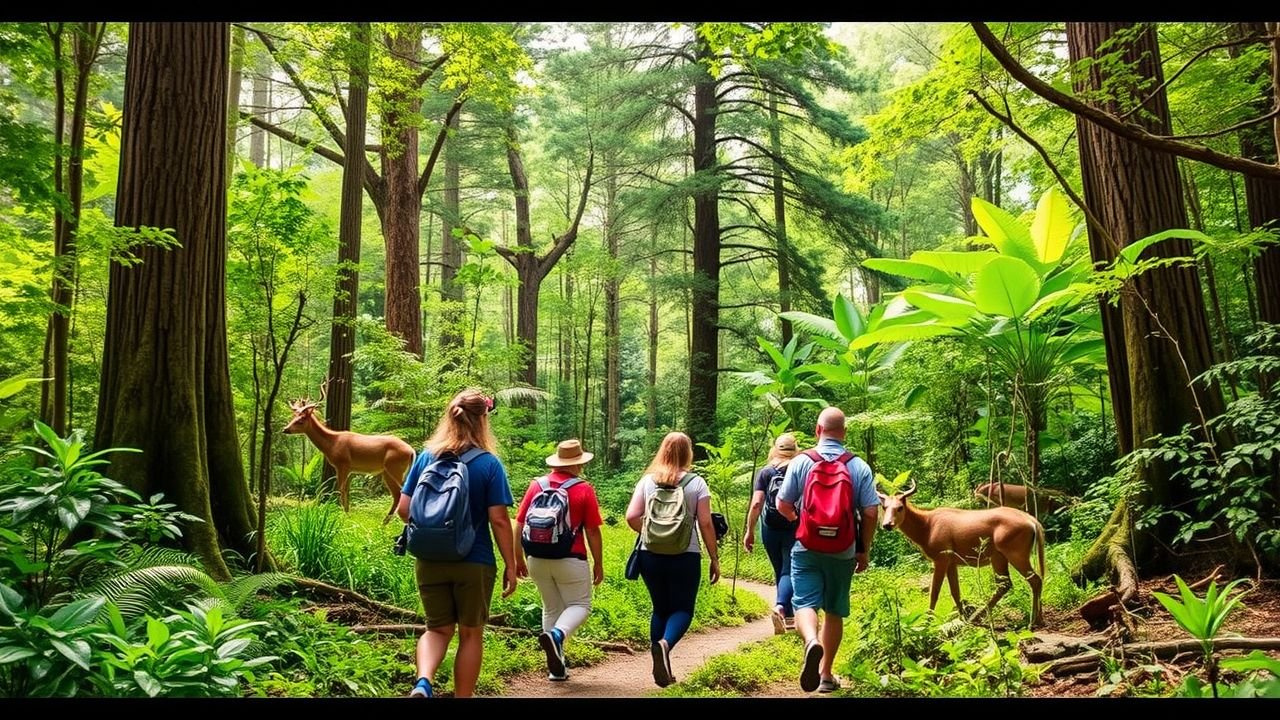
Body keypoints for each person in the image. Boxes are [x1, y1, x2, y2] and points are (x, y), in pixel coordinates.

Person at [397, 389, 517, 699]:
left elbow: (404, 510)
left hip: (429, 558)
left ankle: (423, 682)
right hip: (474, 560)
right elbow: (500, 520)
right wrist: (511, 565)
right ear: (483, 420)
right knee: (470, 634)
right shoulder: (489, 464)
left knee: (436, 629)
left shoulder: (426, 457)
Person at [776, 407, 877, 694]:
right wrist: (863, 549)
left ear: (818, 430)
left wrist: (801, 521)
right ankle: (826, 676)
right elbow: (871, 512)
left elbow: (782, 504)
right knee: (834, 611)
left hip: (806, 546)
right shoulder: (858, 466)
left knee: (804, 602)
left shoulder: (800, 462)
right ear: (844, 433)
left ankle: (811, 641)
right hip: (843, 550)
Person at [625, 431, 720, 688]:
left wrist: (651, 533)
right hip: (685, 555)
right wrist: (714, 557)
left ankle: (659, 657)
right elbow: (706, 523)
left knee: (660, 608)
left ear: (663, 450)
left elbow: (632, 516)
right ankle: (665, 646)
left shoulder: (647, 481)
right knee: (683, 609)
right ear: (687, 453)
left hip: (650, 554)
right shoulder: (696, 482)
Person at [513, 439, 605, 682]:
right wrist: (598, 562)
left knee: (551, 607)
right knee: (580, 606)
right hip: (571, 558)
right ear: (578, 464)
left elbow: (519, 523)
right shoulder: (583, 489)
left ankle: (557, 668)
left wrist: (517, 558)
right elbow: (593, 531)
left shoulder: (537, 486)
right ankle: (556, 636)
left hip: (536, 557)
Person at [743, 433, 799, 634]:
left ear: (776, 448)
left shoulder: (766, 472)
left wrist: (749, 531)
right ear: (795, 449)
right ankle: (782, 608)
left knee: (780, 570)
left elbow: (757, 503)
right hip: (794, 525)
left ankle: (788, 616)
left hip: (770, 528)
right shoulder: (799, 469)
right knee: (789, 570)